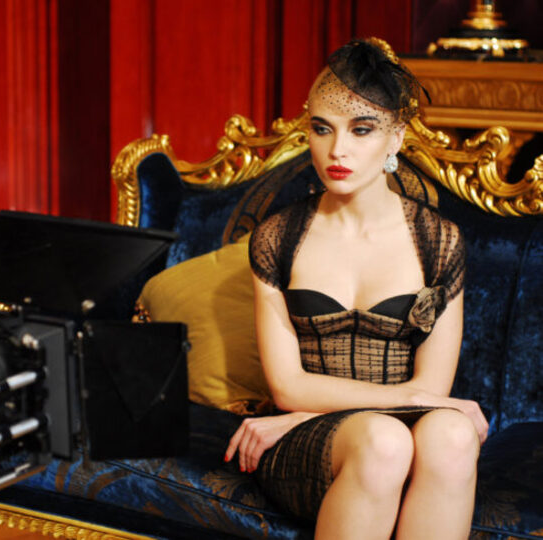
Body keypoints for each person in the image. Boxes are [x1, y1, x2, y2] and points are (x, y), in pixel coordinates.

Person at [224, 38, 488, 540]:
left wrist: (432, 403)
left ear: (396, 138)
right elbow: (287, 388)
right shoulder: (279, 237)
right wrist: (295, 415)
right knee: (385, 440)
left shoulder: (438, 242)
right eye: (322, 129)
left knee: (453, 433)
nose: (336, 150)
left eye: (361, 130)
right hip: (311, 440)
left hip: (399, 427)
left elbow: (434, 392)